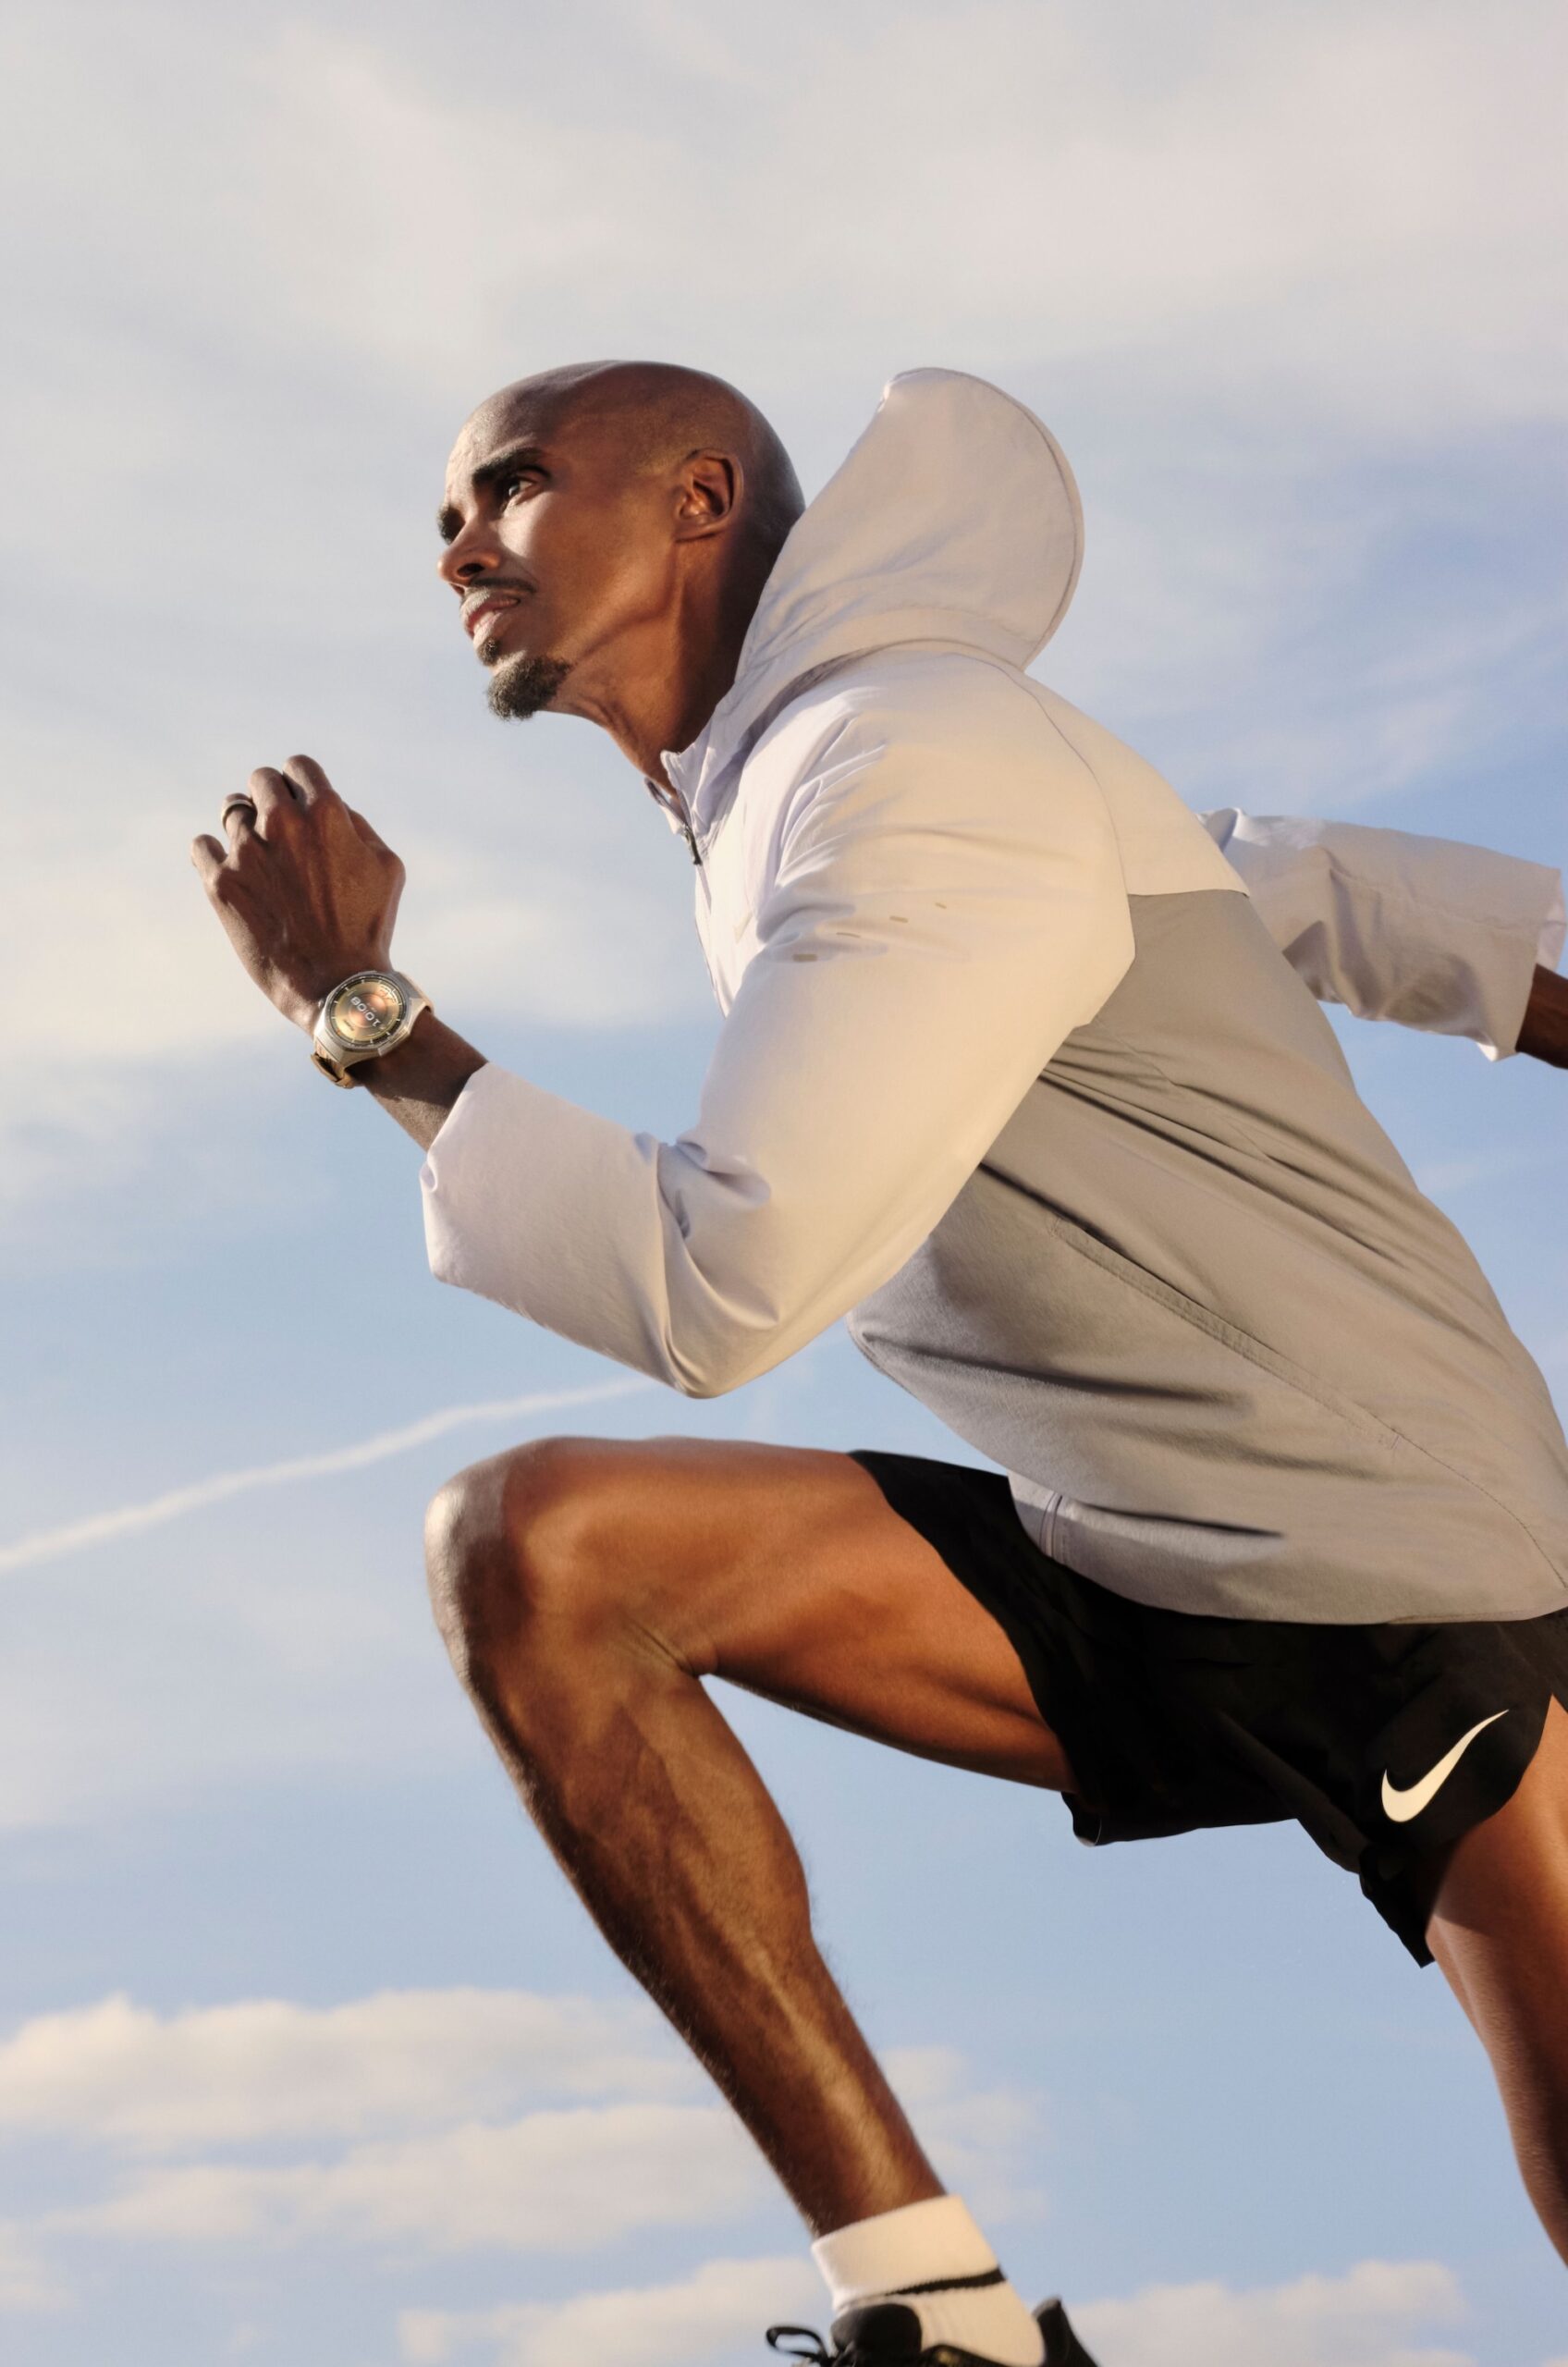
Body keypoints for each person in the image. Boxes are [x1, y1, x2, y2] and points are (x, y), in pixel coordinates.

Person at [193, 362, 1568, 2367]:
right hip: (1123, 1554)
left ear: (697, 498)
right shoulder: (801, 783)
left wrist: (359, 1009)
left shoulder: (894, 752)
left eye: (512, 484)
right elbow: (1280, 881)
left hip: (1384, 1556)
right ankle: (939, 2317)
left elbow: (723, 1284)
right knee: (542, 1550)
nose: (459, 544)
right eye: (443, 517)